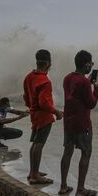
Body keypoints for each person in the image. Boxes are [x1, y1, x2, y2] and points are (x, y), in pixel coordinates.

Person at [59, 50, 98, 196]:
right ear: (86, 64)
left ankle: (63, 186)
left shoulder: (67, 78)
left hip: (68, 122)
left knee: (67, 152)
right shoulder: (83, 82)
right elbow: (90, 103)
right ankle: (81, 189)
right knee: (86, 153)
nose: (91, 66)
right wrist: (96, 91)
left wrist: (88, 82)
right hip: (83, 123)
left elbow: (75, 93)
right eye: (91, 63)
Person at [23, 49, 63, 185]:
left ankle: (32, 171)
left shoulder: (29, 77)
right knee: (39, 144)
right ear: (47, 63)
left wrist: (32, 108)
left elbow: (26, 98)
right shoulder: (45, 81)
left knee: (35, 144)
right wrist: (56, 112)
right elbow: (44, 103)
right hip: (44, 117)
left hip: (34, 115)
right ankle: (35, 175)